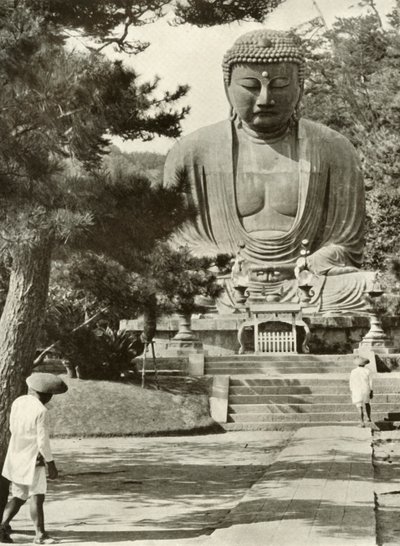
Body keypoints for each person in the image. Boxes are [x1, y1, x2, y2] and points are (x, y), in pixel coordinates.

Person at [163, 29, 375, 313]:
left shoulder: (334, 148)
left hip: (308, 283)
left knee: (371, 285)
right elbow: (180, 242)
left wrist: (305, 265)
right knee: (164, 292)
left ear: (300, 85)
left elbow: (346, 244)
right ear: (227, 86)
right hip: (225, 285)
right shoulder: (192, 152)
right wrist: (224, 264)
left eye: (279, 85)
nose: (265, 98)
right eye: (251, 86)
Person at [0, 373, 68, 544]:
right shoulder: (41, 410)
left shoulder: (18, 402)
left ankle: (2, 526)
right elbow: (42, 440)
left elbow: (12, 427)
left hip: (16, 454)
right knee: (37, 496)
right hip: (32, 459)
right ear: (46, 394)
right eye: (50, 395)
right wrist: (51, 463)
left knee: (19, 495)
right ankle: (40, 534)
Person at [349, 356, 373, 427]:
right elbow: (370, 382)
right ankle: (368, 418)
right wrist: (371, 390)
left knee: (359, 406)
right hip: (365, 389)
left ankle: (362, 422)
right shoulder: (368, 371)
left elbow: (351, 382)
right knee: (367, 403)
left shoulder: (353, 371)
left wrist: (352, 390)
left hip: (356, 389)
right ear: (365, 364)